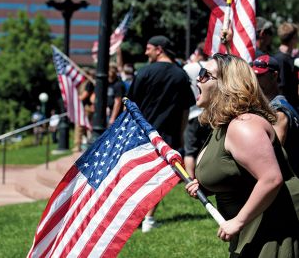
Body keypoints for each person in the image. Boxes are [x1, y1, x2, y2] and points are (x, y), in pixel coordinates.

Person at [185, 53, 299, 257]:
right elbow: (237, 174)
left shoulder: (243, 126)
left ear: (226, 84)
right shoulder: (223, 126)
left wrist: (238, 222)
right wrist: (205, 186)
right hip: (254, 227)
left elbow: (271, 179)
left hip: (276, 228)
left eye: (205, 74)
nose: (197, 79)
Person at [127, 35, 195, 232]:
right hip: (168, 135)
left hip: (141, 134)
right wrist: (181, 134)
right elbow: (185, 109)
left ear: (159, 49)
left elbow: (130, 105)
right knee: (158, 178)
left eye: (148, 48)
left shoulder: (144, 72)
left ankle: (136, 218)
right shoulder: (180, 75)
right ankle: (148, 218)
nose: (145, 52)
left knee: (138, 177)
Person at [251, 54, 299, 177]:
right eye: (254, 75)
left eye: (260, 75)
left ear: (274, 75)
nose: (256, 79)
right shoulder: (267, 107)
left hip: (289, 184)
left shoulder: (279, 112)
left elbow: (272, 157)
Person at [183, 42, 212, 178]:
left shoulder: (190, 67)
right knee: (206, 148)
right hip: (210, 112)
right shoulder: (212, 66)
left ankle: (191, 178)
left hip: (193, 112)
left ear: (198, 52)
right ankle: (204, 176)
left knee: (190, 150)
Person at [274, 22, 298, 110]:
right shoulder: (282, 59)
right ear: (293, 38)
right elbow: (281, 87)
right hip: (287, 107)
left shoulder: (284, 57)